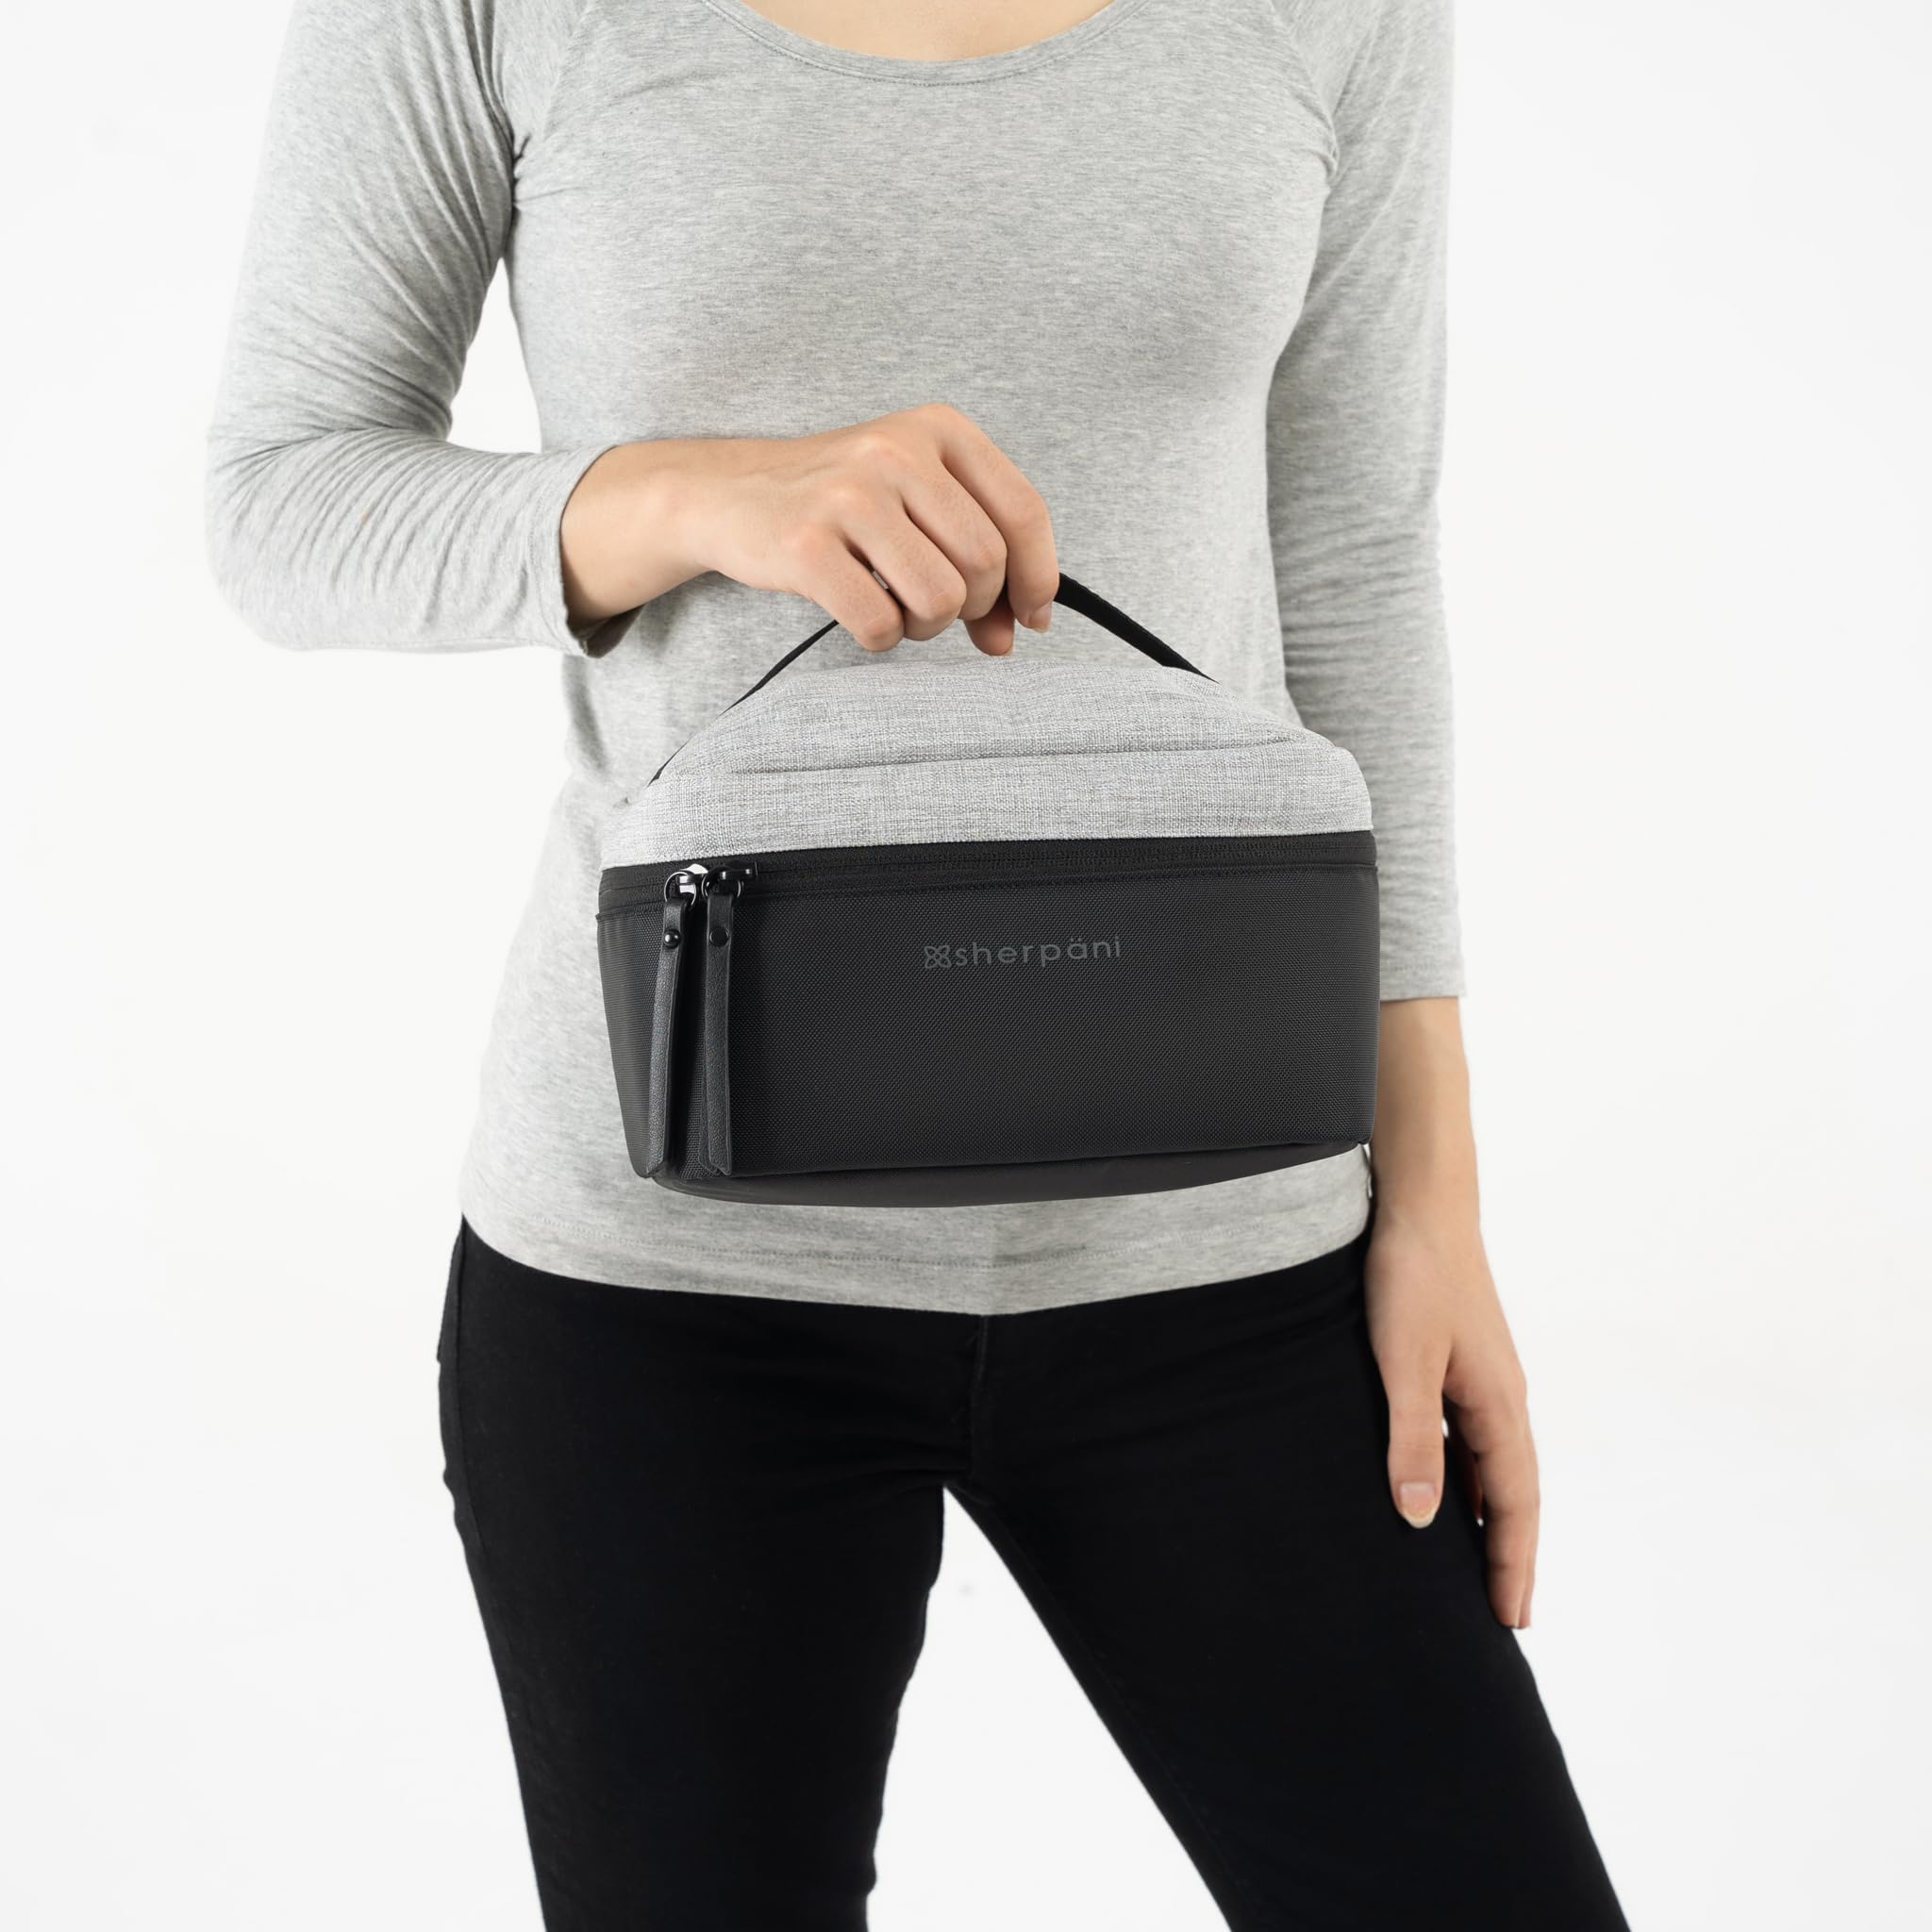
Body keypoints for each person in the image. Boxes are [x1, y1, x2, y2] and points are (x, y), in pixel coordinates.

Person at [207, 0, 1630, 1924]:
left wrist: (1435, 1199)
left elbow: (1356, 548)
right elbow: (282, 500)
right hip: (672, 1269)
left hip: (1236, 1248)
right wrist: (689, 492)